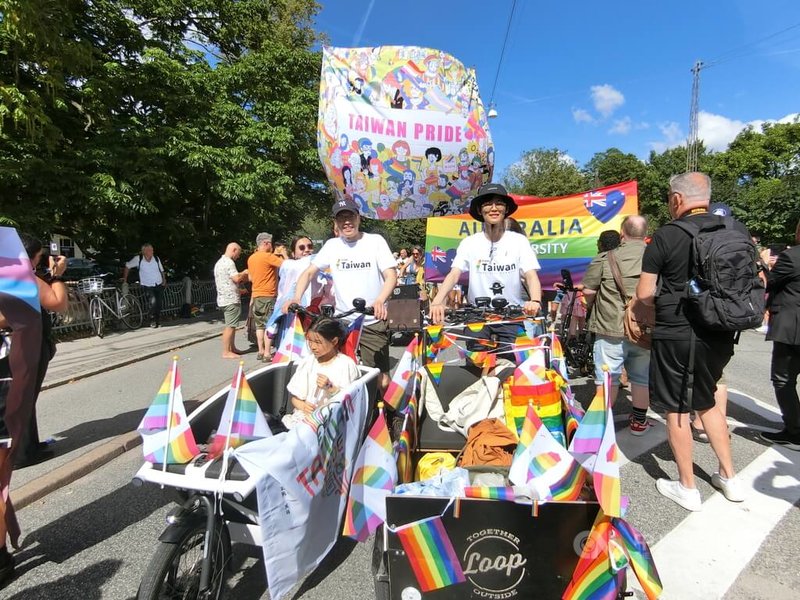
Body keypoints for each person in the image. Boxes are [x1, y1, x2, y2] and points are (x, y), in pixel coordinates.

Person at [633, 172, 745, 511]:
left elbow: (645, 292)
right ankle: (729, 477)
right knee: (707, 398)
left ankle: (687, 487)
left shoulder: (668, 235)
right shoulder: (735, 229)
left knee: (677, 409)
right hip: (722, 330)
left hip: (678, 332)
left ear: (677, 200)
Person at [291, 199, 397, 392]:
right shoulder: (332, 245)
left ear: (358, 218)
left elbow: (391, 275)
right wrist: (296, 298)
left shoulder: (375, 241)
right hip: (342, 321)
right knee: (335, 371)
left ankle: (388, 416)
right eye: (341, 218)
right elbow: (308, 273)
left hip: (371, 319)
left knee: (381, 379)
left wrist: (380, 300)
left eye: (350, 216)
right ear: (336, 223)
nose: (346, 222)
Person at [430, 183, 542, 360]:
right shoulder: (469, 242)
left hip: (510, 316)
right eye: (488, 204)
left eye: (499, 203)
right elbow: (454, 274)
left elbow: (531, 275)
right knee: (476, 369)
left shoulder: (519, 241)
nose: (494, 208)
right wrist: (437, 301)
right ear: (480, 210)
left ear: (506, 209)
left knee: (517, 371)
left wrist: (535, 300)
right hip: (477, 316)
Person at [581, 216, 652, 435]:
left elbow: (588, 292)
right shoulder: (656, 257)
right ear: (646, 234)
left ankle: (602, 425)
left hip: (609, 326)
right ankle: (639, 422)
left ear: (622, 233)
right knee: (641, 378)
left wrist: (592, 305)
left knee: (607, 377)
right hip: (644, 328)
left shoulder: (606, 258)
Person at [13, 235, 70, 468]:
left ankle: (31, 445)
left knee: (26, 395)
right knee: (24, 396)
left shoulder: (11, 273)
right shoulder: (22, 275)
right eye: (39, 255)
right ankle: (23, 453)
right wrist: (56, 276)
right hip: (27, 344)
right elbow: (58, 302)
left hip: (22, 344)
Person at [759, 218, 800, 450]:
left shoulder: (792, 256)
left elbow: (769, 282)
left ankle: (794, 431)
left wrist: (764, 264)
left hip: (792, 326)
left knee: (783, 379)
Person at [282, 318, 361, 429]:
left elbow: (351, 402)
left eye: (318, 342)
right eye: (310, 341)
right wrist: (304, 406)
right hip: (305, 420)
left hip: (332, 423)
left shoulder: (346, 364)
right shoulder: (308, 363)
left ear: (334, 341)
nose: (313, 346)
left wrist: (330, 387)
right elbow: (295, 399)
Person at [247, 233, 287, 361]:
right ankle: (267, 353)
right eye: (271, 243)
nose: (272, 246)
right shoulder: (267, 257)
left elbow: (250, 278)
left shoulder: (251, 258)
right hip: (268, 295)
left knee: (259, 325)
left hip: (256, 295)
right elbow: (287, 266)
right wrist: (284, 254)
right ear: (265, 243)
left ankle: (260, 350)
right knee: (270, 324)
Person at [213, 243, 248, 359]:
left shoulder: (219, 263)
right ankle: (226, 351)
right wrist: (245, 272)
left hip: (223, 297)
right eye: (238, 253)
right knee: (230, 326)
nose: (238, 256)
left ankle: (232, 348)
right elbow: (236, 278)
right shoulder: (229, 262)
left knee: (232, 325)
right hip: (230, 299)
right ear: (234, 250)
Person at [123, 243, 166, 328]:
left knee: (159, 303)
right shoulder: (138, 259)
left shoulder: (156, 259)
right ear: (144, 251)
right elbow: (128, 266)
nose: (152, 251)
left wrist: (164, 280)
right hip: (147, 284)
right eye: (150, 250)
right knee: (152, 302)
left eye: (152, 250)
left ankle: (157, 320)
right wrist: (125, 279)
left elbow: (161, 270)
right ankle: (151, 319)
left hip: (158, 283)